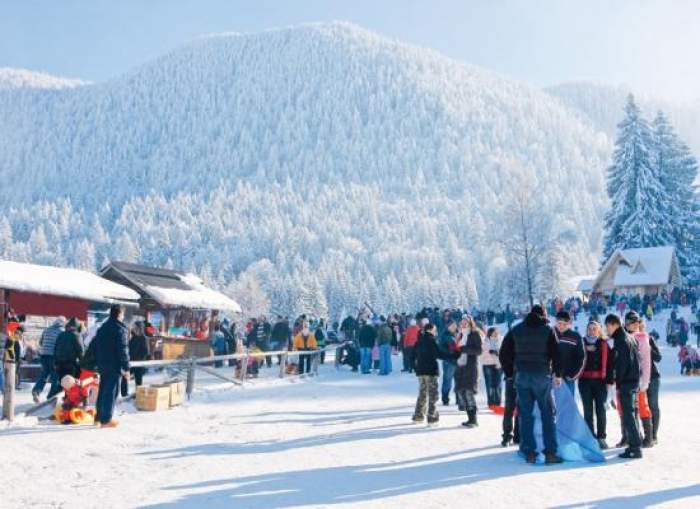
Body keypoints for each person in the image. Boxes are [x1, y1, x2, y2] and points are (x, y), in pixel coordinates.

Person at [500, 304, 563, 465]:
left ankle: (529, 452)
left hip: (521, 376)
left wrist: (509, 373)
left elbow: (503, 353)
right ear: (543, 315)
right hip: (541, 374)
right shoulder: (548, 330)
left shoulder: (516, 329)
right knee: (548, 414)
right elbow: (557, 353)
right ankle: (550, 452)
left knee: (525, 415)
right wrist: (558, 373)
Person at [605, 313, 643, 459]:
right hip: (633, 381)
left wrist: (617, 381)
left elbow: (621, 364)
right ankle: (635, 444)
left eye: (607, 326)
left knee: (628, 416)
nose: (606, 329)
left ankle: (635, 447)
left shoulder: (620, 340)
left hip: (627, 383)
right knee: (632, 414)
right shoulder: (630, 337)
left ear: (613, 324)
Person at [412, 322, 457, 425]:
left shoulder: (419, 341)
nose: (436, 332)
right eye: (435, 329)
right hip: (431, 371)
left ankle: (418, 416)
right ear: (431, 329)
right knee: (433, 394)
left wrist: (416, 367)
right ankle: (432, 417)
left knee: (422, 393)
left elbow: (412, 356)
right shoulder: (432, 341)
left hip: (421, 372)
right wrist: (452, 355)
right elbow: (439, 354)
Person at [94, 304, 130, 428]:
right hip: (114, 365)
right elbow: (123, 349)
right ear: (119, 314)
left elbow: (96, 346)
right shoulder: (120, 329)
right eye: (123, 314)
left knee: (103, 390)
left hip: (102, 363)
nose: (123, 317)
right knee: (111, 391)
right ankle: (106, 420)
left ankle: (98, 418)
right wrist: (126, 367)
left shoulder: (102, 327)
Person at [578, 321, 612, 450]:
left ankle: (601, 437)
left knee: (600, 410)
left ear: (599, 331)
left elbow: (610, 364)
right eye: (589, 329)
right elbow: (574, 358)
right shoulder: (581, 343)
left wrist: (610, 381)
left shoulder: (603, 344)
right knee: (588, 411)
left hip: (600, 382)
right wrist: (584, 350)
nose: (591, 331)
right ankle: (590, 437)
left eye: (594, 329)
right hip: (585, 381)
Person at [625, 312, 653, 448]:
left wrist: (645, 381)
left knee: (642, 406)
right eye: (630, 322)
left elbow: (646, 361)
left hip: (639, 379)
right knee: (630, 409)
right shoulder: (624, 337)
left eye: (635, 322)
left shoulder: (642, 338)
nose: (633, 325)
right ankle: (636, 436)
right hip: (627, 379)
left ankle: (649, 437)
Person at [454, 318, 483, 428]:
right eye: (462, 322)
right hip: (460, 366)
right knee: (461, 392)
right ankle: (469, 418)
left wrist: (464, 349)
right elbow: (458, 349)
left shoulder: (474, 334)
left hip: (470, 366)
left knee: (468, 392)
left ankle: (474, 419)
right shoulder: (460, 335)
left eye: (466, 322)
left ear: (470, 323)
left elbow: (479, 350)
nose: (463, 324)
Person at [32, 317, 66, 402]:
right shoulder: (61, 331)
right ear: (62, 323)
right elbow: (60, 346)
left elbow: (40, 342)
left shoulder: (47, 330)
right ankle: (51, 397)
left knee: (44, 374)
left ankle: (36, 391)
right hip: (53, 357)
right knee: (55, 377)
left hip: (43, 355)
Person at [554, 311, 586, 396]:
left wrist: (573, 375)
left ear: (568, 323)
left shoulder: (575, 336)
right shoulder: (551, 334)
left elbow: (581, 357)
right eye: (559, 323)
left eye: (564, 324)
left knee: (568, 405)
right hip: (553, 377)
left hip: (568, 377)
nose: (561, 326)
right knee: (553, 405)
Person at [54, 317, 84, 383]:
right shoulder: (76, 335)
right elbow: (80, 351)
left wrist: (56, 363)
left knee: (62, 384)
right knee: (71, 386)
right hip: (71, 365)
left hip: (60, 364)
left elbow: (55, 349)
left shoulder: (61, 335)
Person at [438, 320, 459, 406]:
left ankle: (459, 398)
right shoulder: (445, 335)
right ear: (448, 327)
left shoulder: (458, 334)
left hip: (458, 361)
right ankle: (445, 399)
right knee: (447, 381)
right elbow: (441, 348)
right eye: (451, 326)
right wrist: (449, 351)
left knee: (459, 381)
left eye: (454, 325)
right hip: (448, 361)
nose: (453, 327)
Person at [482, 327, 503, 407]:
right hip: (488, 364)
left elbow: (505, 351)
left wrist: (497, 352)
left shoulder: (501, 340)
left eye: (496, 332)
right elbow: (482, 354)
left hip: (499, 365)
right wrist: (490, 352)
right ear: (490, 333)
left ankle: (498, 402)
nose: (495, 334)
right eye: (494, 332)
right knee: (489, 384)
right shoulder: (485, 341)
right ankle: (491, 402)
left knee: (498, 384)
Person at [648, 329, 662, 445]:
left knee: (653, 405)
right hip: (636, 378)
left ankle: (653, 434)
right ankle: (646, 435)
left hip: (653, 377)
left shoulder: (649, 339)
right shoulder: (630, 340)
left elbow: (658, 357)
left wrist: (649, 349)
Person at [127, 322, 149, 387]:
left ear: (139, 328)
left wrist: (138, 359)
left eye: (135, 327)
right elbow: (129, 348)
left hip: (139, 363)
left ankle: (138, 394)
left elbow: (145, 351)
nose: (134, 328)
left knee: (138, 381)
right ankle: (124, 394)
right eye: (134, 327)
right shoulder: (133, 337)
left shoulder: (143, 338)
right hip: (131, 362)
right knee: (125, 377)